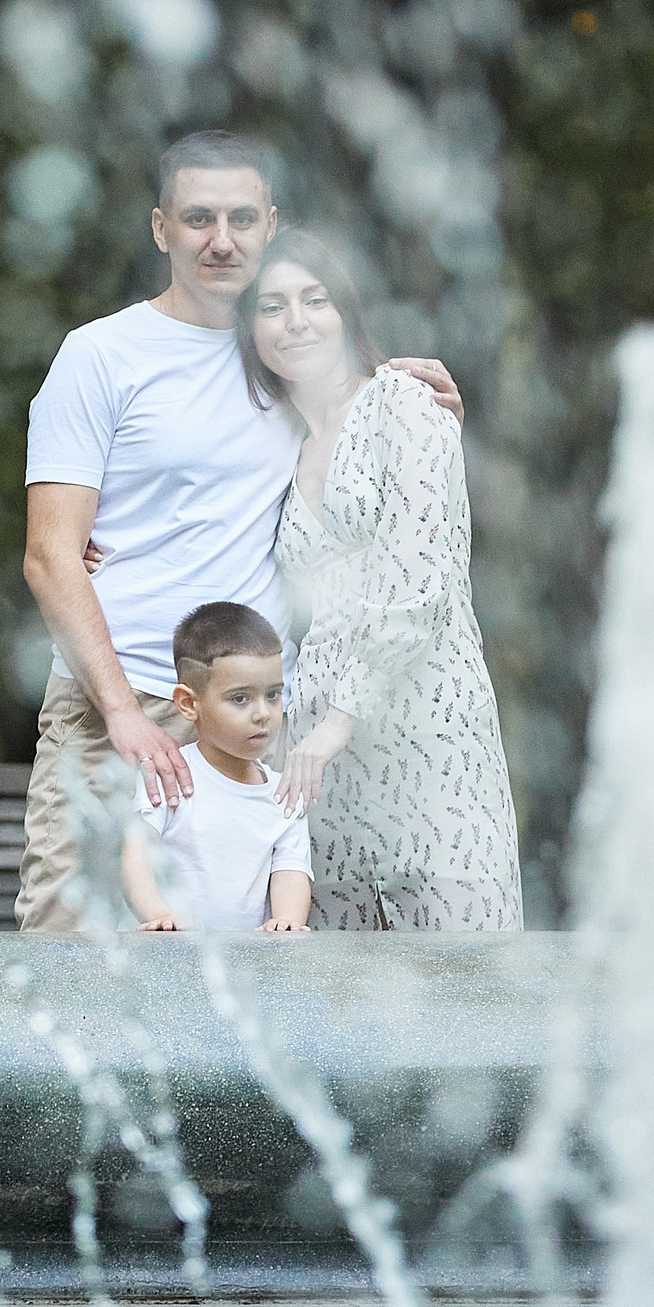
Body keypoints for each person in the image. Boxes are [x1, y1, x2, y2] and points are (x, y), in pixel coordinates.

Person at [19, 129, 462, 933]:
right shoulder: (100, 356)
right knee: (67, 943)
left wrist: (433, 414)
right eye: (198, 218)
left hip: (250, 714)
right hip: (116, 699)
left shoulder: (287, 355)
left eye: (242, 219)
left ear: (271, 224)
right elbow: (50, 556)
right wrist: (120, 710)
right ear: (162, 229)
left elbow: (376, 476)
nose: (221, 240)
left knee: (244, 964)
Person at [241, 230, 524, 930]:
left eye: (316, 300)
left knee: (466, 972)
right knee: (346, 987)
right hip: (324, 771)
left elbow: (418, 582)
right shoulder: (280, 445)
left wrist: (339, 722)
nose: (296, 321)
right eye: (272, 307)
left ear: (347, 312)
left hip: (426, 733)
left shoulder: (405, 404)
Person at [119, 603, 313, 934]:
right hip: (163, 948)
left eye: (272, 695)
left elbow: (291, 871)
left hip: (245, 958)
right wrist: (159, 915)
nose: (263, 714)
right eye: (240, 699)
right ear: (189, 703)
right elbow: (137, 855)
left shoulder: (283, 793)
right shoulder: (170, 776)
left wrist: (287, 922)